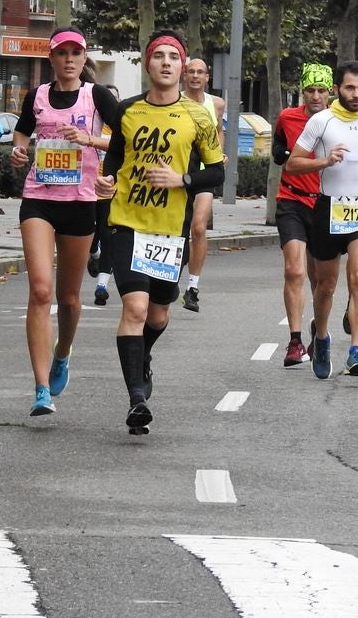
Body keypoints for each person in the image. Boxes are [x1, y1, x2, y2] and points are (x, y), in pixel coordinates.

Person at [95, 30, 223, 434]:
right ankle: (136, 399)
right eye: (158, 56)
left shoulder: (199, 116)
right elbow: (114, 159)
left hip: (170, 230)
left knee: (159, 313)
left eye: (174, 57)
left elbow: (217, 171)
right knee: (134, 308)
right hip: (126, 222)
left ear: (183, 66)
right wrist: (105, 184)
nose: (166, 63)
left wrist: (182, 179)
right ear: (147, 64)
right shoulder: (127, 111)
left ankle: (143, 356)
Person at [9, 27, 120, 416]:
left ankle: (63, 352)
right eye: (62, 53)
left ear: (84, 58)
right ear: (51, 58)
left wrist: (91, 141)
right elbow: (23, 132)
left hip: (80, 202)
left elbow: (127, 138)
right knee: (40, 291)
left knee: (68, 298)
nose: (69, 59)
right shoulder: (37, 96)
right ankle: (41, 388)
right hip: (39, 199)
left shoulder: (97, 96)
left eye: (76, 53)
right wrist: (19, 150)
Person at [285, 61, 358, 378]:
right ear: (338, 89)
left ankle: (356, 350)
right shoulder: (322, 122)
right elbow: (291, 164)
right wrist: (324, 161)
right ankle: (323, 336)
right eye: (349, 88)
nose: (355, 94)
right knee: (326, 285)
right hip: (328, 209)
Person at [273, 63, 330, 367]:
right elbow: (277, 149)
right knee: (293, 270)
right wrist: (283, 154)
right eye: (310, 90)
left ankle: (318, 327)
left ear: (330, 91)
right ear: (302, 91)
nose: (316, 96)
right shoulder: (287, 117)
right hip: (292, 199)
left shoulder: (337, 121)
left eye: (322, 90)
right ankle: (295, 342)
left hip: (324, 204)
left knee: (319, 278)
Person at [181, 58, 228, 313]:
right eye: (191, 72)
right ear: (184, 75)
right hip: (178, 175)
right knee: (178, 229)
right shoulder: (174, 101)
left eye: (200, 72)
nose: (195, 76)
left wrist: (218, 153)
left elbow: (219, 130)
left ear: (207, 77)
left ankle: (192, 288)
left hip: (205, 175)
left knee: (199, 227)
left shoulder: (216, 104)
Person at [88, 83, 121, 306]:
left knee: (107, 235)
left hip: (111, 190)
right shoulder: (89, 123)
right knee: (91, 235)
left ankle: (102, 286)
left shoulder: (121, 129)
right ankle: (93, 253)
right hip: (86, 188)